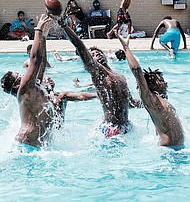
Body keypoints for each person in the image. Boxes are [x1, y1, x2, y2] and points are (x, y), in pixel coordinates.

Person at [1, 14, 97, 149]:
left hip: (37, 146)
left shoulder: (34, 87)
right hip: (27, 144)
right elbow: (35, 60)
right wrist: (38, 30)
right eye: (19, 76)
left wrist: (44, 36)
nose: (23, 75)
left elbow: (42, 63)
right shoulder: (24, 90)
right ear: (17, 84)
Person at [59, 21, 143, 138]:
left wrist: (150, 102)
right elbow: (80, 46)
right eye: (92, 54)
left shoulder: (120, 77)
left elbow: (131, 103)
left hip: (126, 127)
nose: (97, 54)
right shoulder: (98, 75)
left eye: (99, 52)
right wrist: (64, 26)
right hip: (110, 128)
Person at [116, 32, 184, 146]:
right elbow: (137, 71)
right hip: (169, 151)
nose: (165, 82)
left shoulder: (159, 101)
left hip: (177, 149)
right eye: (161, 81)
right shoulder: (150, 98)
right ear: (152, 85)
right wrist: (126, 47)